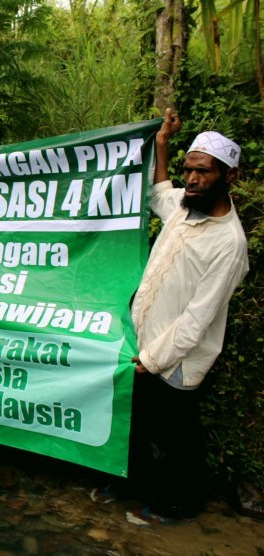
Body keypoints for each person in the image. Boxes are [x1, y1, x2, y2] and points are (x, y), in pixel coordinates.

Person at [128, 109, 249, 520]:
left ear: (229, 177)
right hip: (146, 348)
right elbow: (159, 191)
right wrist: (162, 144)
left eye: (204, 172)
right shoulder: (184, 205)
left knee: (178, 435)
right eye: (189, 170)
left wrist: (152, 359)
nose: (193, 179)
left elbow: (198, 319)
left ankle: (183, 505)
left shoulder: (228, 244)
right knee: (143, 426)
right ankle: (146, 489)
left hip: (175, 359)